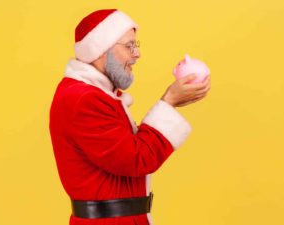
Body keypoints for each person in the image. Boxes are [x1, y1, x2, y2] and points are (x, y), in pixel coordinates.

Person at [49, 9, 211, 225]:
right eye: (129, 46)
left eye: (136, 45)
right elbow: (136, 158)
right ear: (100, 50)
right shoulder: (84, 100)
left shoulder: (93, 95)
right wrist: (169, 101)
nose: (137, 54)